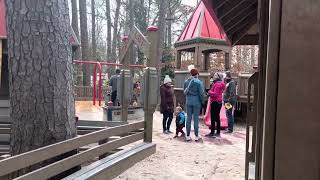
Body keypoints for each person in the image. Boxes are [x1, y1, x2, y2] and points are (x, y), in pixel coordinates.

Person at [184, 65, 205, 142]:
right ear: (196, 74)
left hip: (188, 101)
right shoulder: (199, 82)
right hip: (197, 102)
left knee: (188, 118)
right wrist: (203, 102)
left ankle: (188, 135)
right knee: (196, 118)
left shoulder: (186, 82)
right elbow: (201, 93)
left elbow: (184, 91)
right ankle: (196, 136)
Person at [206, 72, 225, 138]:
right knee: (217, 117)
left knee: (213, 117)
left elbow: (215, 94)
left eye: (215, 75)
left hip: (215, 102)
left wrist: (209, 91)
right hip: (219, 102)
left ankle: (212, 132)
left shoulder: (217, 84)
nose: (213, 76)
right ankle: (218, 132)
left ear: (218, 76)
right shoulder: (221, 83)